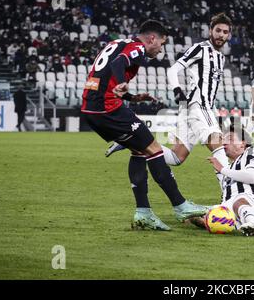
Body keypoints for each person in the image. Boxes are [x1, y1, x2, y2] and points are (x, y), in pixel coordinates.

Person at [81, 20, 207, 231]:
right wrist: (123, 83)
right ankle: (180, 205)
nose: (160, 49)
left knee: (139, 151)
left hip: (91, 109)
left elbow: (105, 77)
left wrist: (131, 96)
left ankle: (143, 213)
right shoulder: (138, 47)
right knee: (154, 149)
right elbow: (118, 64)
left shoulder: (118, 42)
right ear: (152, 39)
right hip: (108, 109)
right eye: (162, 43)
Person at [190, 127, 254, 236]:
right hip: (228, 206)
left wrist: (222, 169)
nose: (225, 142)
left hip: (251, 199)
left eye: (230, 139)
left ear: (242, 143)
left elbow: (253, 177)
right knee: (193, 216)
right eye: (224, 139)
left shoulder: (252, 151)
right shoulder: (230, 168)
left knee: (239, 201)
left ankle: (253, 224)